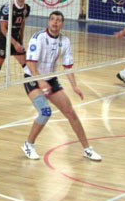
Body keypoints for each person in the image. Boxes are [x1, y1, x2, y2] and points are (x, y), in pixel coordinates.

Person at [20, 11, 102, 162]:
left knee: (70, 112)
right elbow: (30, 63)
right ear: (48, 22)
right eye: (52, 19)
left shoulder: (65, 41)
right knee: (45, 112)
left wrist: (74, 86)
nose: (55, 22)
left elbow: (68, 66)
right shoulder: (38, 38)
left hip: (51, 79)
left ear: (62, 24)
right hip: (33, 78)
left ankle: (87, 149)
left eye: (58, 20)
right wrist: (40, 81)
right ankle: (28, 145)